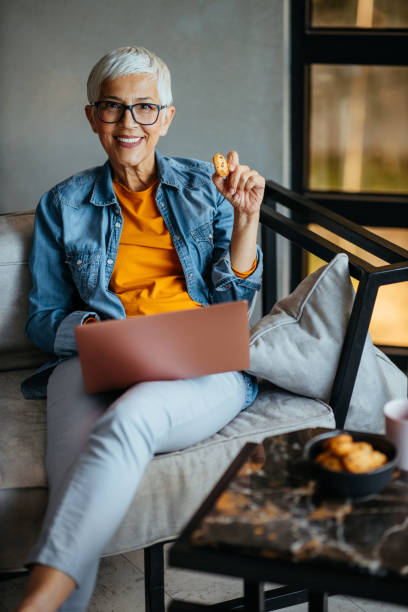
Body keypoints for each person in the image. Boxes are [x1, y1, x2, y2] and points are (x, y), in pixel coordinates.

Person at [17, 46, 264, 612]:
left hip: (196, 359)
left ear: (167, 117)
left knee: (130, 420)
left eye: (145, 107)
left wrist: (246, 221)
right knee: (69, 468)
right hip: (97, 356)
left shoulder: (208, 188)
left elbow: (233, 301)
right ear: (92, 117)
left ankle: (37, 605)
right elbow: (41, 319)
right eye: (113, 107)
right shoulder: (62, 203)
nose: (129, 123)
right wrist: (97, 332)